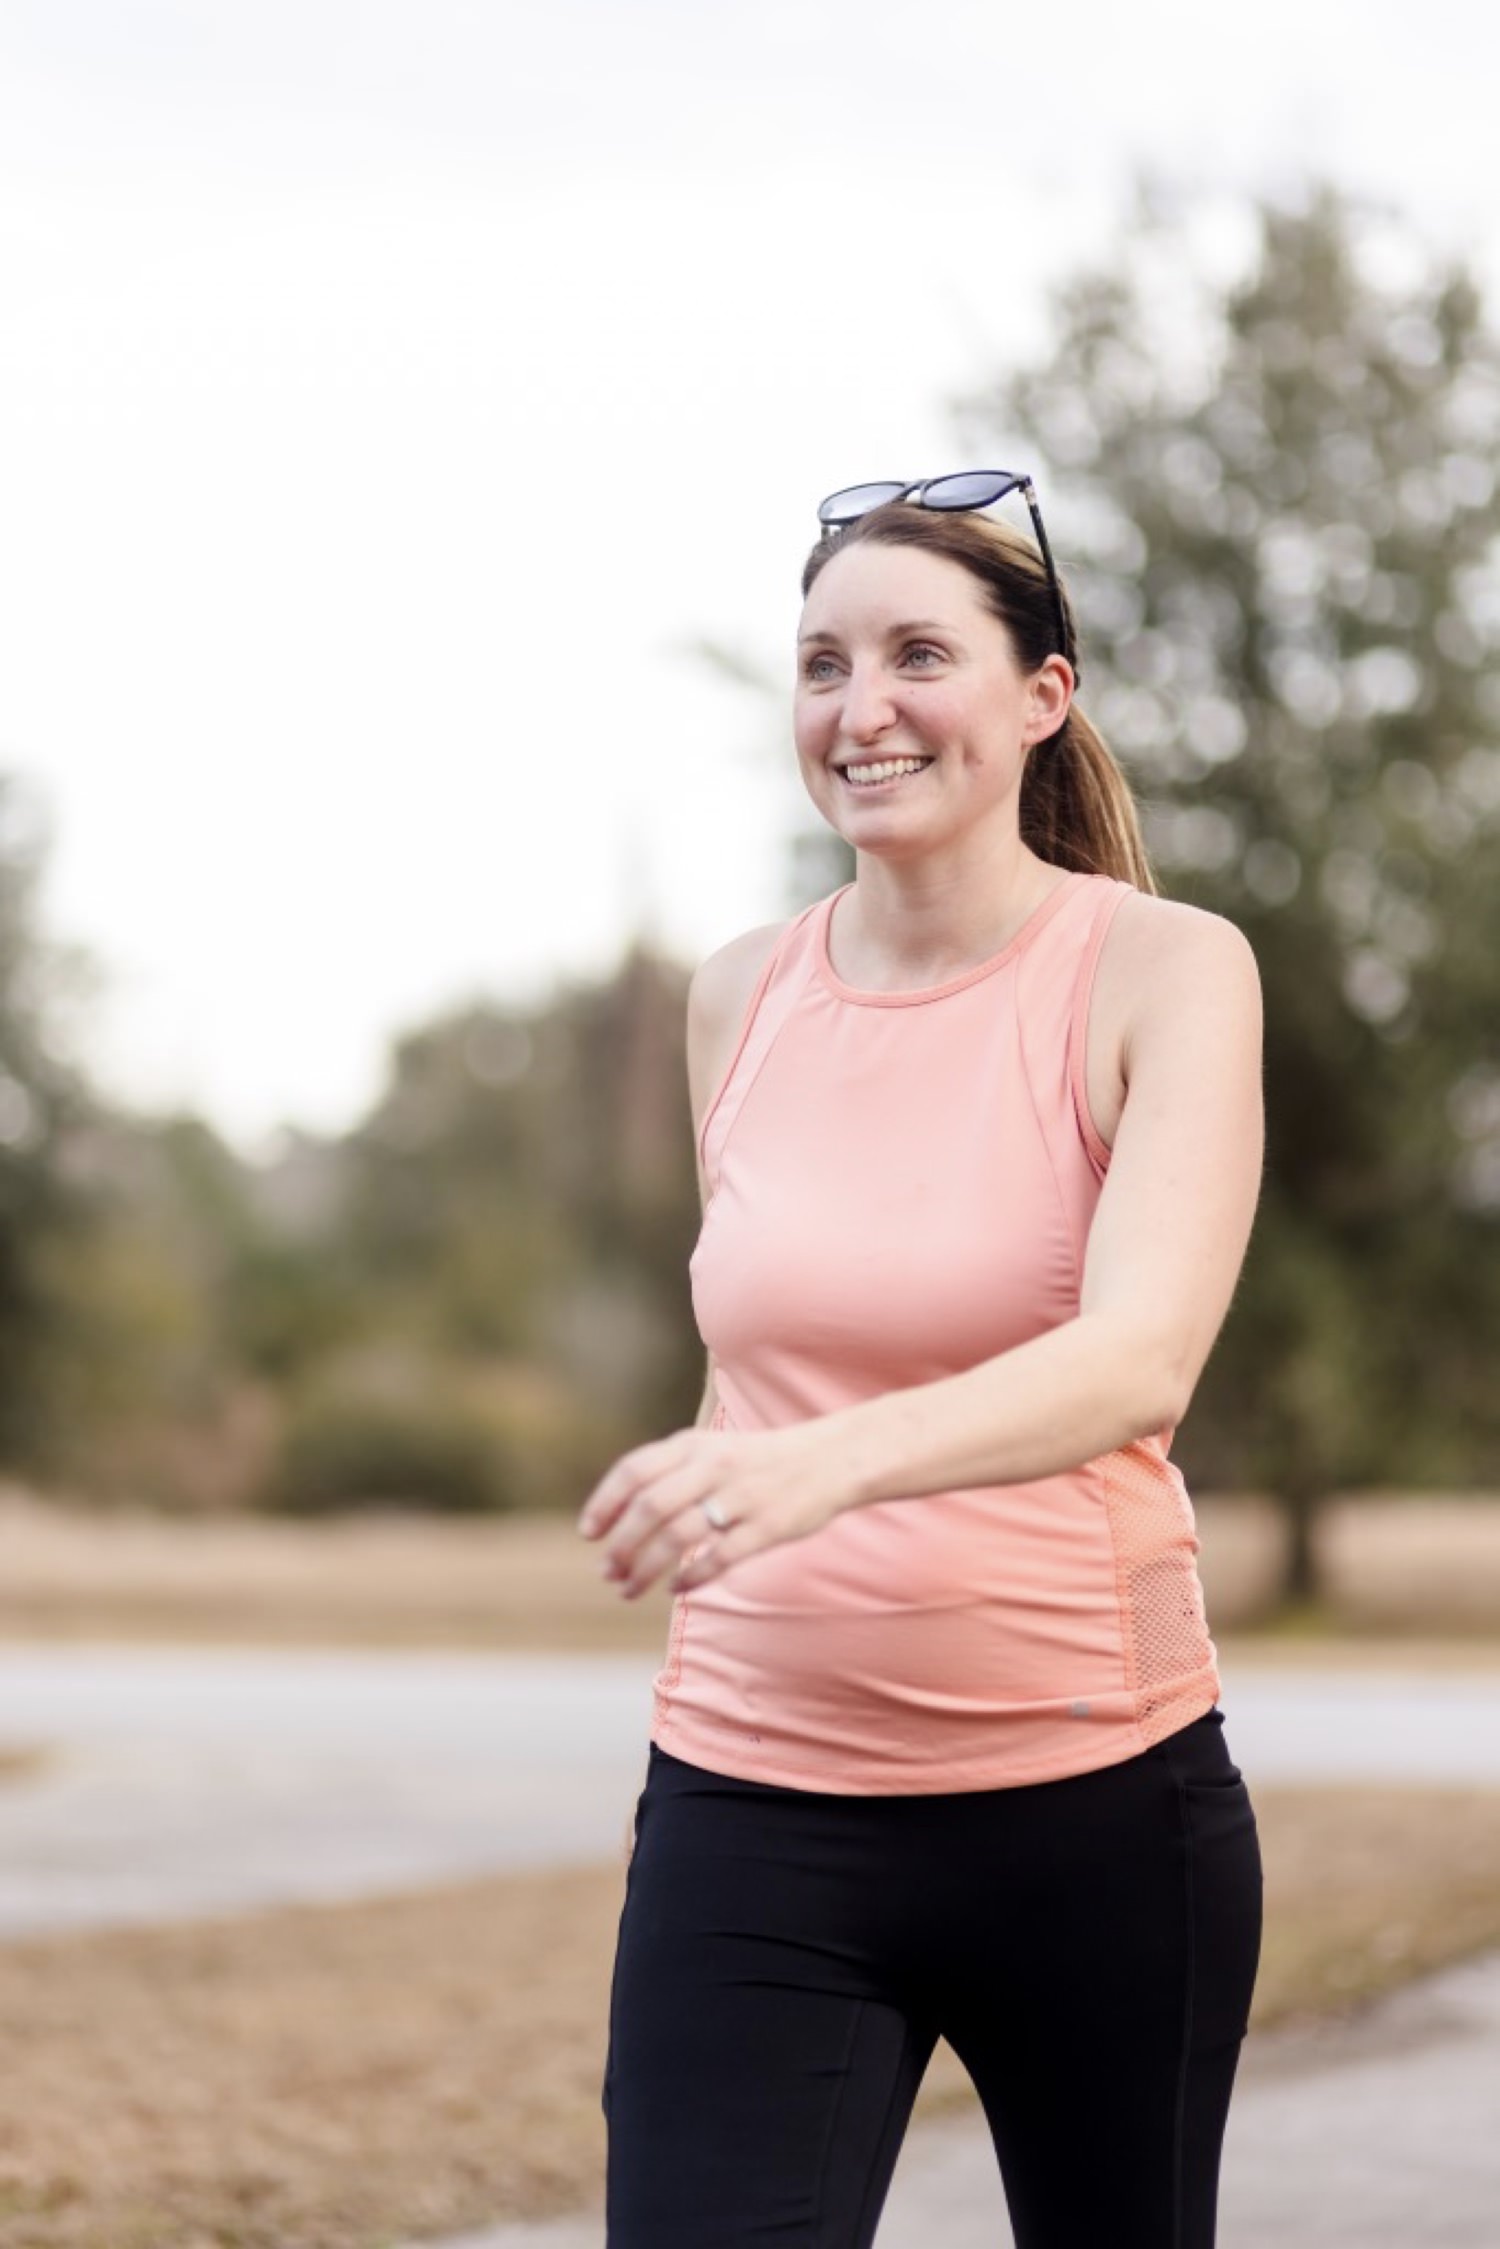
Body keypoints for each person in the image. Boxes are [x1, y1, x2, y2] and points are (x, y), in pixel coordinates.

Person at [578, 471, 1265, 2249]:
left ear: (1043, 695)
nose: (858, 706)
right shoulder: (740, 993)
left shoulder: (1165, 972)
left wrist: (819, 1468)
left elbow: (1137, 1363)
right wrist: (735, 1463)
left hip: (1095, 1809)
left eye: (914, 654)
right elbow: (772, 1337)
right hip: (753, 1801)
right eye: (820, 663)